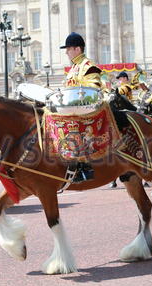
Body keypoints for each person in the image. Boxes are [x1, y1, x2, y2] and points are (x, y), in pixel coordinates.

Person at [61, 32, 102, 183]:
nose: (66, 52)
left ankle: (85, 166)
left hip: (87, 109)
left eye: (68, 49)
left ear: (77, 49)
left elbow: (94, 87)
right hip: (73, 108)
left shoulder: (88, 66)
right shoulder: (73, 68)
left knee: (74, 126)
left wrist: (78, 97)